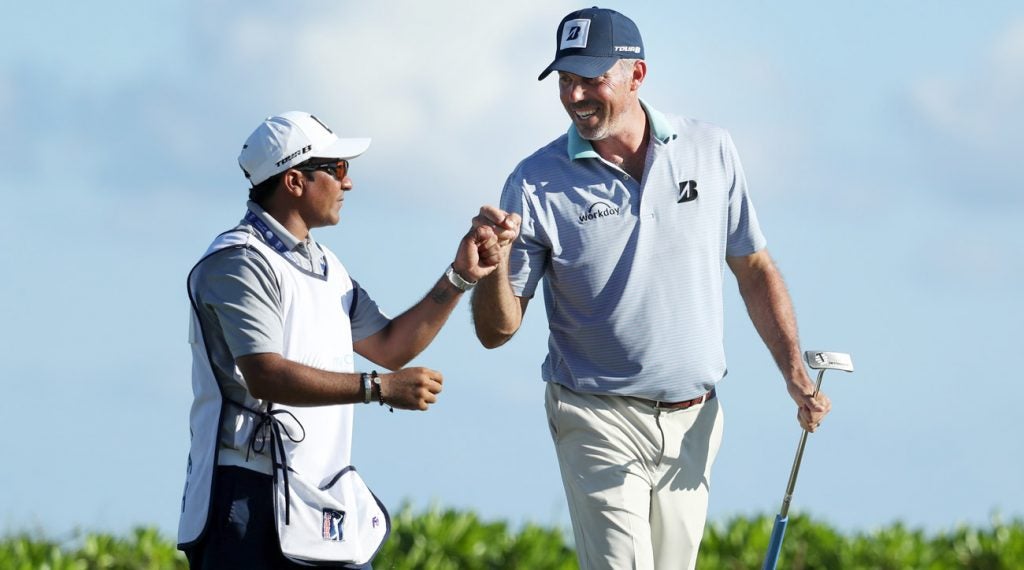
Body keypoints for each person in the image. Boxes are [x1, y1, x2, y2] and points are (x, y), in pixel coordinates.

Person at [470, 7, 832, 570]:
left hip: (695, 420)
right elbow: (497, 330)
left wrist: (793, 371)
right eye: (566, 80)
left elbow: (754, 268)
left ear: (636, 75)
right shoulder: (534, 181)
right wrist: (492, 267)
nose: (575, 95)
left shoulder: (711, 150)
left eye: (591, 79)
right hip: (596, 416)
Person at [177, 111, 499, 568]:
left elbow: (391, 345)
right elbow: (265, 375)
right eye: (338, 169)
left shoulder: (329, 267)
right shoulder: (239, 261)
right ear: (294, 181)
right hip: (245, 497)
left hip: (316, 493)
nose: (348, 184)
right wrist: (379, 389)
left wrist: (460, 277)